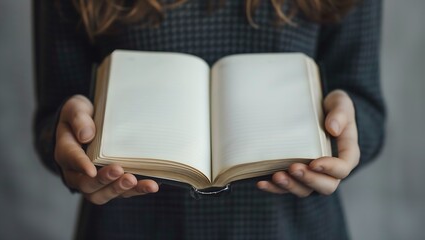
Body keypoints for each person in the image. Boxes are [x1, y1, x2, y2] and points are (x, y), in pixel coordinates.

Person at [34, 0, 385, 239]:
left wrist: (343, 136)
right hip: (127, 226)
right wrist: (69, 141)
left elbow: (366, 109)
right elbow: (54, 117)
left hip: (294, 229)